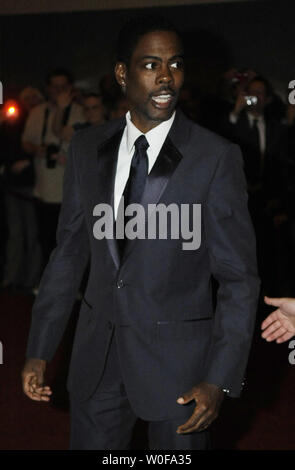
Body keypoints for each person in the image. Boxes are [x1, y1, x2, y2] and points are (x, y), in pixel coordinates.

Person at [22, 16, 260, 450]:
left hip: (181, 374)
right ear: (121, 74)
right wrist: (40, 348)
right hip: (96, 363)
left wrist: (220, 380)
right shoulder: (86, 148)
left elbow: (238, 278)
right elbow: (69, 253)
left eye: (175, 64)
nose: (166, 76)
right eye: (151, 64)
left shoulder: (216, 157)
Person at [21, 69, 85, 269]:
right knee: (46, 238)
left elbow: (66, 134)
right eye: (55, 87)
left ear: (71, 88)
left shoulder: (80, 111)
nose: (59, 90)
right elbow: (25, 142)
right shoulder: (37, 112)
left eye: (63, 86)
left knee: (70, 241)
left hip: (71, 190)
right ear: (47, 89)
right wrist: (37, 149)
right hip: (44, 187)